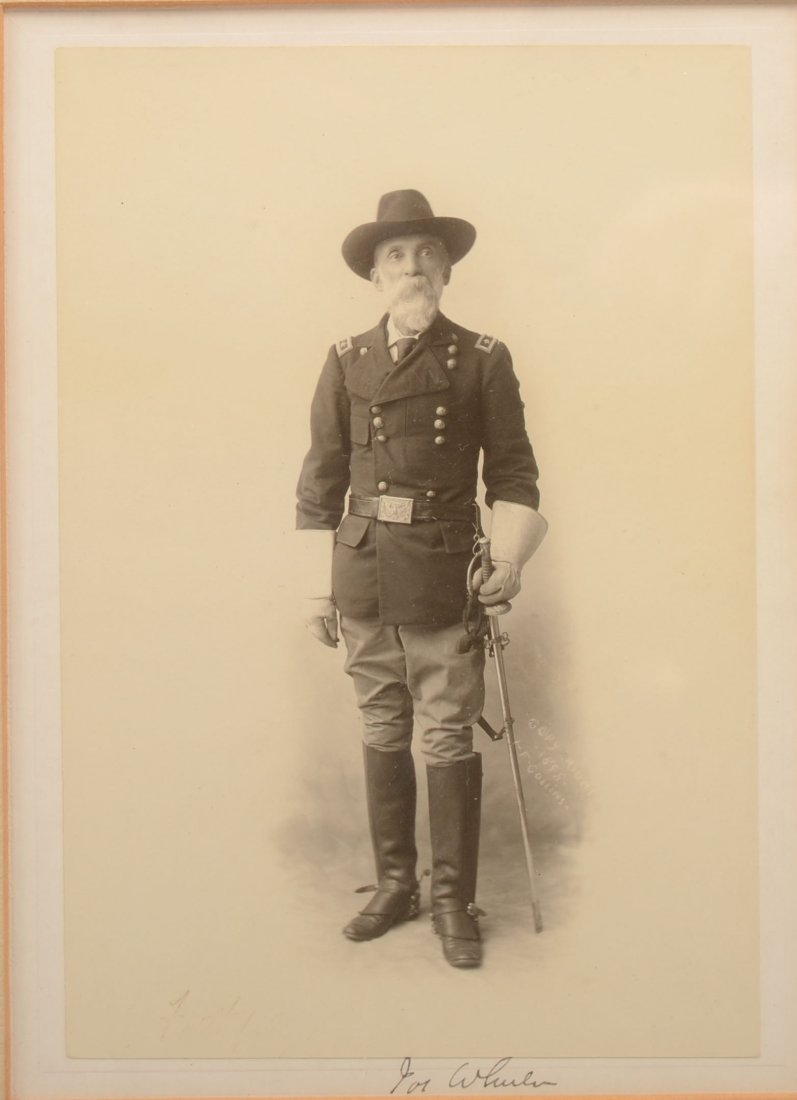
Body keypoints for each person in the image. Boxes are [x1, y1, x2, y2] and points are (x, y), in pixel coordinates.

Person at [295, 190, 547, 968]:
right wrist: (316, 585)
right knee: (379, 721)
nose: (412, 267)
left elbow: (512, 475)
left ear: (447, 269)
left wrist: (504, 560)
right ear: (374, 275)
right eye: (396, 255)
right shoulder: (344, 360)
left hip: (441, 568)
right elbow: (319, 478)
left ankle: (450, 900)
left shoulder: (482, 358)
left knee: (442, 727)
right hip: (362, 565)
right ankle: (394, 885)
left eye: (426, 253)